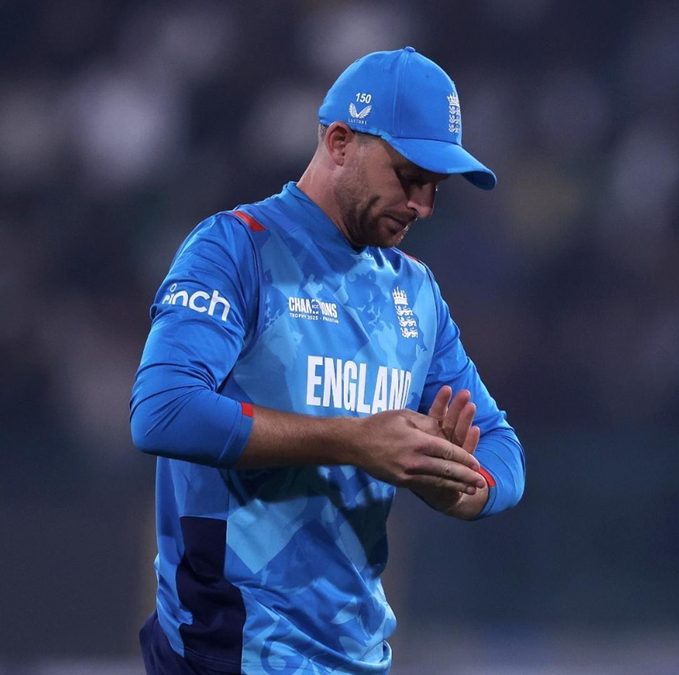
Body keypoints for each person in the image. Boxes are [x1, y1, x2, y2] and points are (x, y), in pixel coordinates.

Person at [129, 47, 525, 673]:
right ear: (340, 141)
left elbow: (504, 455)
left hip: (357, 656)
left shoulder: (414, 292)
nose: (423, 205)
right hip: (231, 648)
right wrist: (353, 442)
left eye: (435, 187)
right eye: (408, 175)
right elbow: (163, 411)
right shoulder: (235, 249)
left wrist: (447, 483)